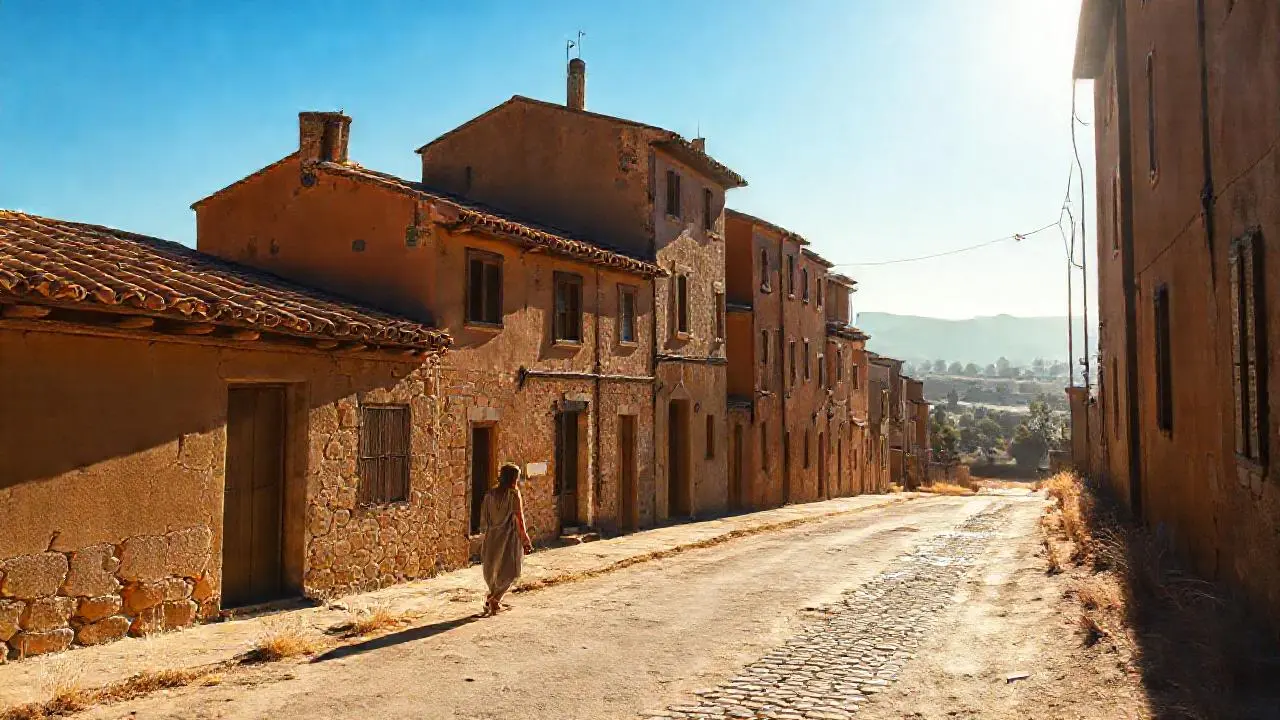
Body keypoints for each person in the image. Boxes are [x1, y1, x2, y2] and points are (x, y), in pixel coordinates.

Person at [479, 462, 533, 616]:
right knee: (512, 569)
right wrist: (525, 538)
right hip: (509, 536)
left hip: (492, 536)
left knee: (492, 567)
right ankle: (495, 599)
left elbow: (484, 519)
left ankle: (493, 598)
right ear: (513, 478)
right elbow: (518, 518)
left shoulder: (489, 494)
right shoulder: (513, 494)